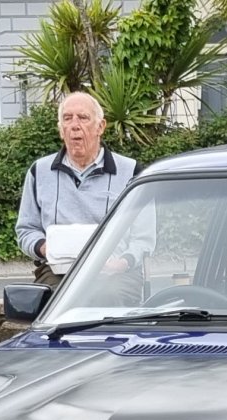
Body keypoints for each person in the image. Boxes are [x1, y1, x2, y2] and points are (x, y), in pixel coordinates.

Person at [15, 92, 147, 291]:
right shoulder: (39, 172)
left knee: (112, 298)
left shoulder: (132, 172)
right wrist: (45, 248)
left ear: (100, 127)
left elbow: (144, 237)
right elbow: (26, 229)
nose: (75, 125)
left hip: (117, 272)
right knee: (54, 305)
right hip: (58, 271)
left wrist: (123, 262)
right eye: (67, 118)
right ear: (61, 130)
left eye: (83, 118)